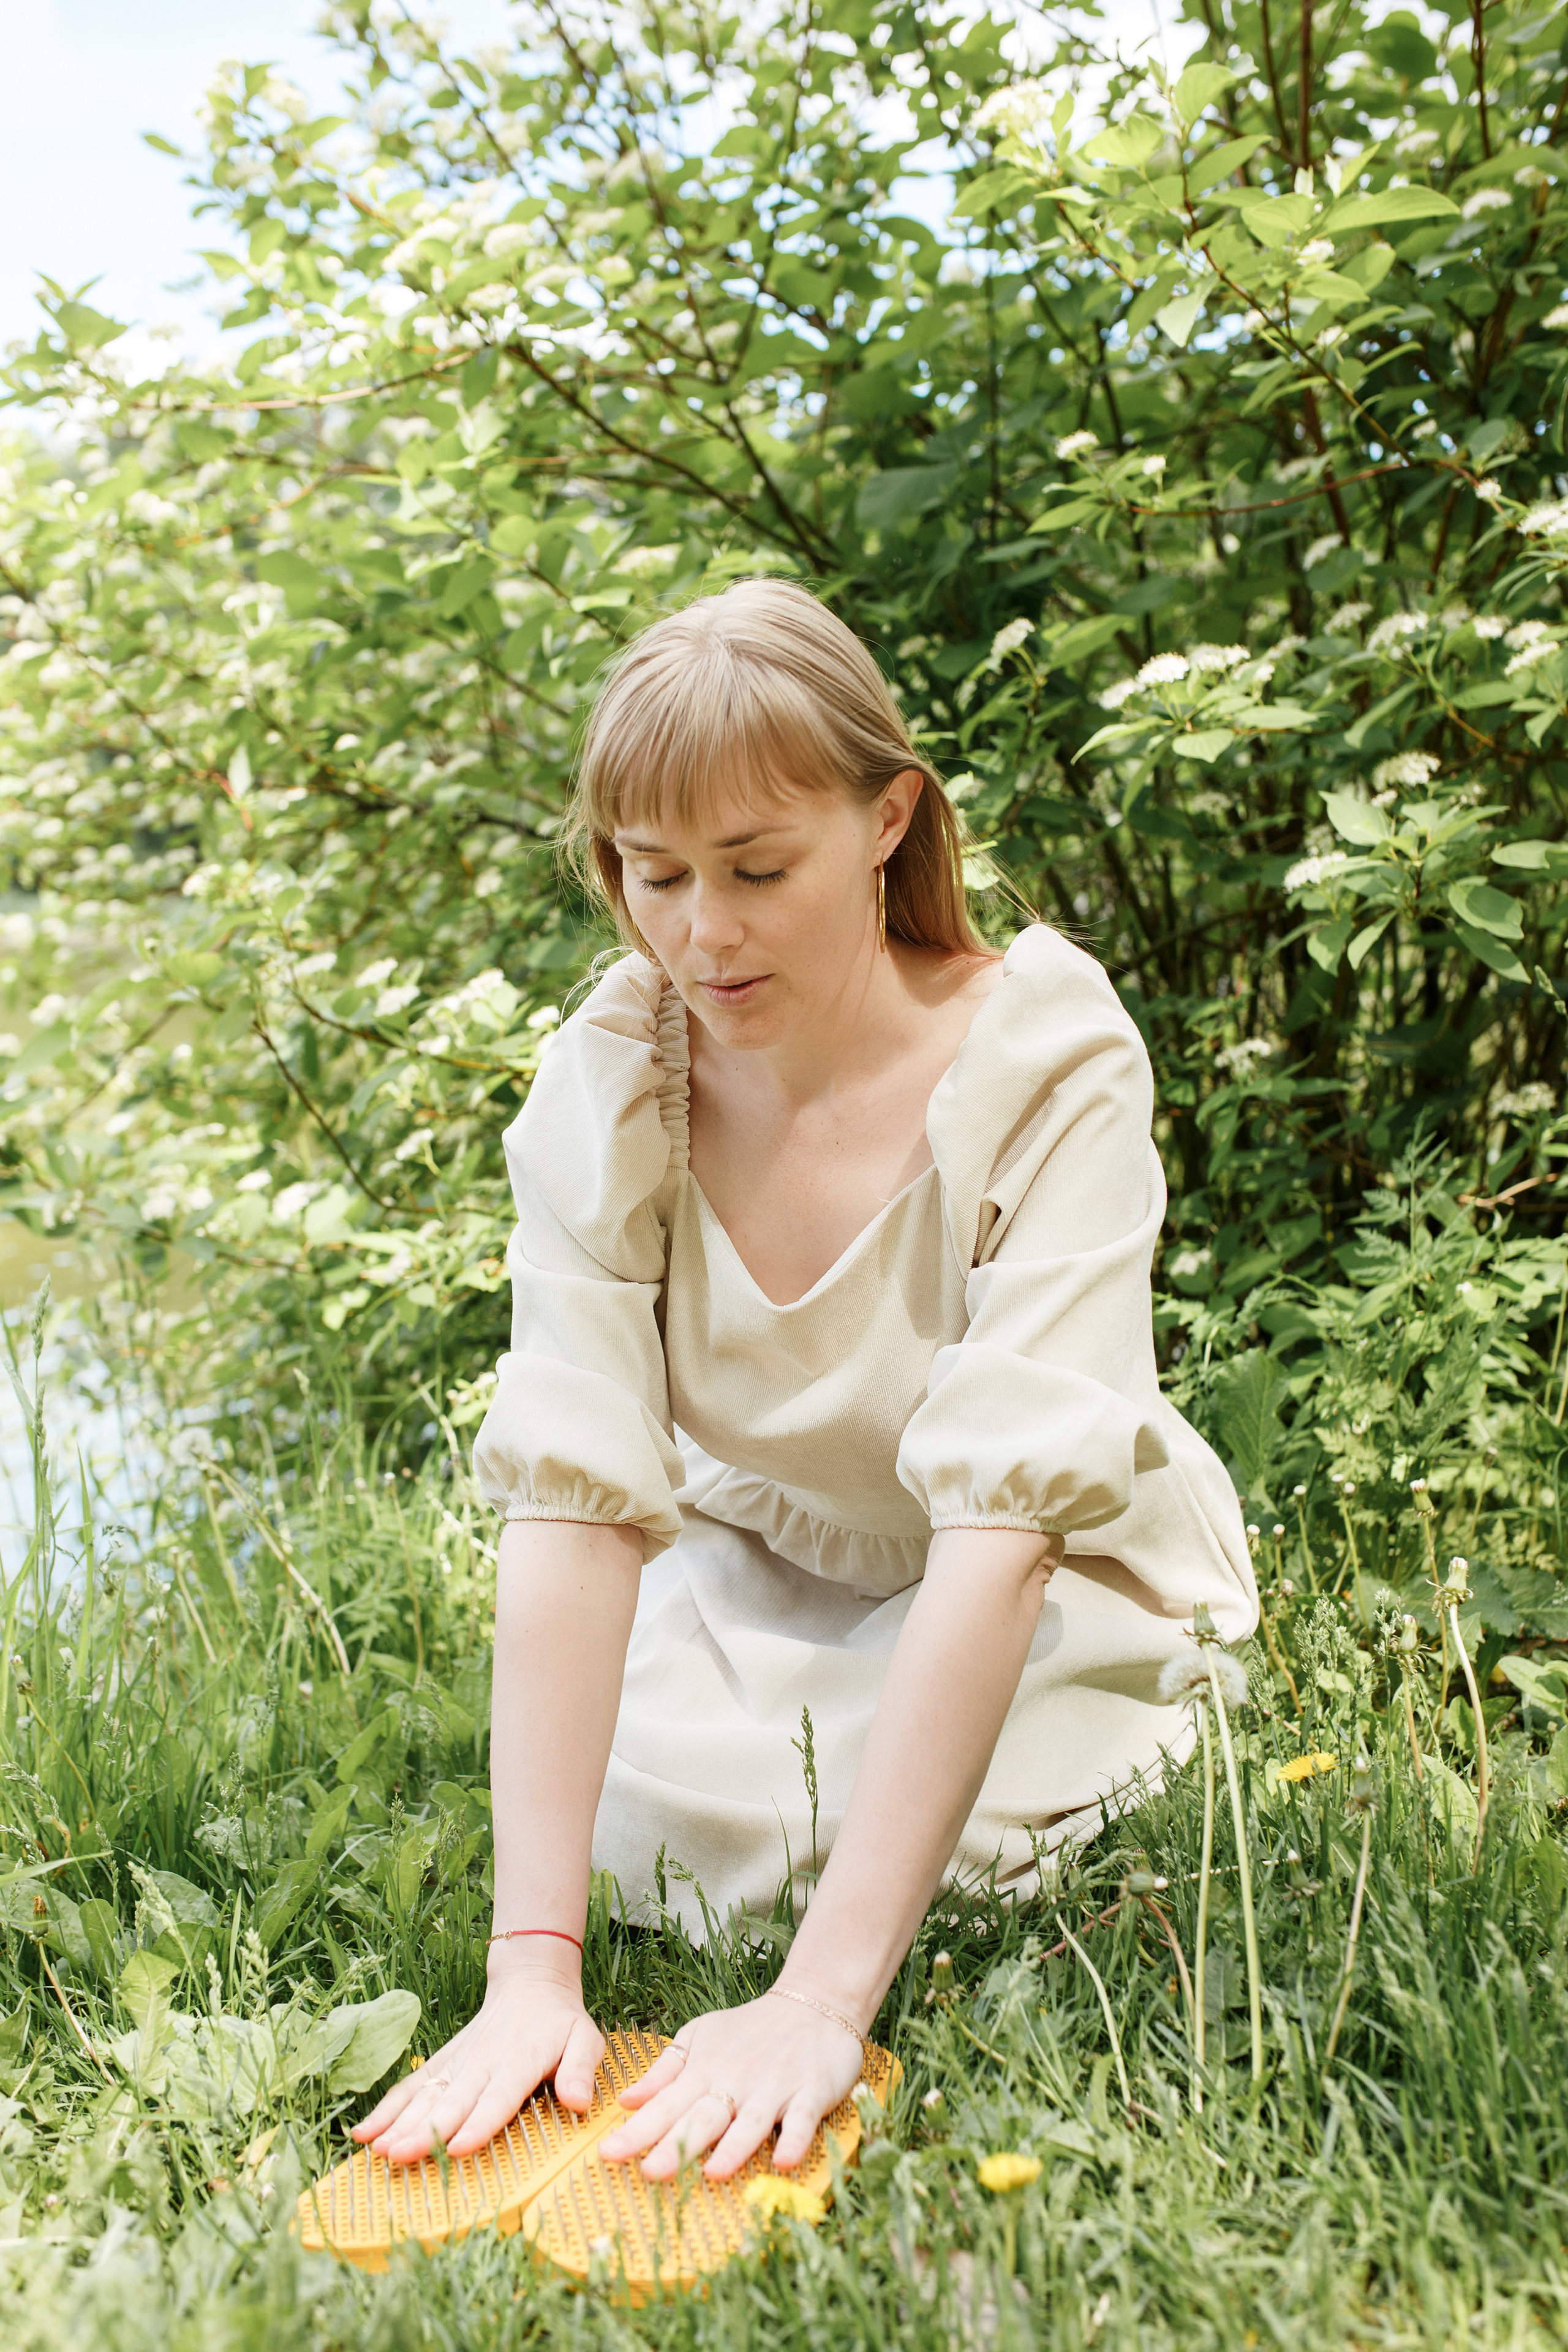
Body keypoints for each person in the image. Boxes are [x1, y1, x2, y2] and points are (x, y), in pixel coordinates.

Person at [355, 578, 1256, 2186]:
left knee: (892, 1848)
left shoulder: (1049, 1062)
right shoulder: (619, 1079)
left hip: (1035, 1582)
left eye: (760, 869)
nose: (703, 932)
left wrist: (823, 2004)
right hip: (760, 1571)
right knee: (637, 1826)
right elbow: (573, 1503)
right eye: (656, 874)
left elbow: (1004, 1528)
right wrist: (529, 1971)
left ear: (889, 821)